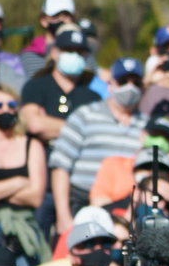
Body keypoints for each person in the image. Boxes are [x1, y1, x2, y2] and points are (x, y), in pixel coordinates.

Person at [48, 53, 148, 238]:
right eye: (123, 81)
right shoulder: (85, 115)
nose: (130, 87)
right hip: (82, 201)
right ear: (110, 84)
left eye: (136, 82)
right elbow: (60, 166)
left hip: (127, 208)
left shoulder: (147, 125)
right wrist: (63, 216)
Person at [0, 83, 50, 265]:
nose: (5, 110)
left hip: (22, 228)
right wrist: (19, 181)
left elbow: (35, 198)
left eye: (11, 105)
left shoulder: (32, 145)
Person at [20, 27, 100, 146]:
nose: (74, 55)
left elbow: (97, 133)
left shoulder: (92, 96)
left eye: (79, 52)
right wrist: (81, 128)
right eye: (68, 50)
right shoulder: (35, 86)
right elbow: (34, 125)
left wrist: (49, 125)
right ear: (54, 53)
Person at [18, 0, 79, 79]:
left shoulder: (81, 51)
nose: (61, 20)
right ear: (43, 21)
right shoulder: (29, 55)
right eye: (56, 16)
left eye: (66, 15)